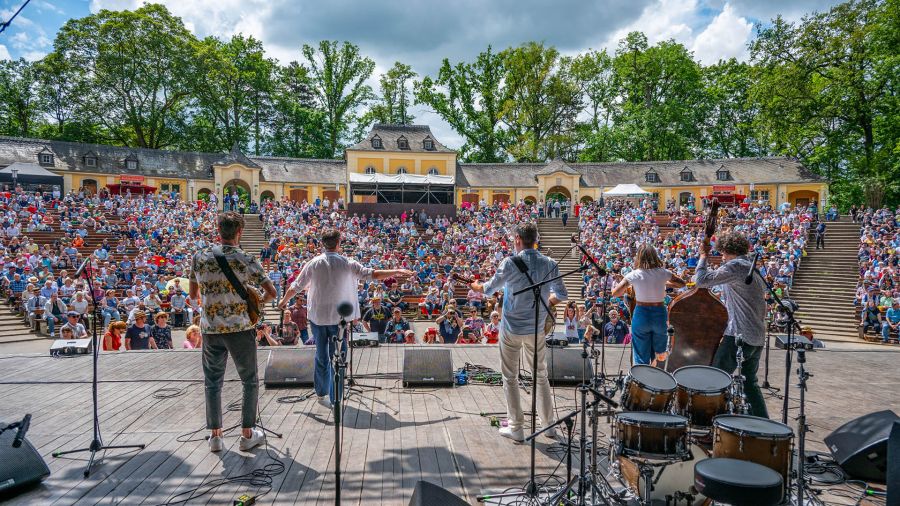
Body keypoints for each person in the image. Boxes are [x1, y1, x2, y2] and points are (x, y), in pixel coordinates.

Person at [277, 228, 412, 411]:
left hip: (317, 318)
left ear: (322, 244)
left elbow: (296, 286)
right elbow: (374, 274)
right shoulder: (348, 263)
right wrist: (397, 270)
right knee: (338, 359)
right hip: (338, 321)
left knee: (321, 356)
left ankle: (321, 393)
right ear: (339, 243)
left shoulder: (313, 263)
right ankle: (336, 399)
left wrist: (283, 301)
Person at [468, 222, 567, 442]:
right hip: (536, 329)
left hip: (511, 329)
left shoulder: (510, 263)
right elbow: (561, 294)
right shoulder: (549, 263)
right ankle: (549, 425)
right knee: (540, 375)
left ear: (517, 240)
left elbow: (488, 289)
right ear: (536, 241)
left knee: (510, 377)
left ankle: (517, 427)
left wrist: (475, 286)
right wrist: (545, 304)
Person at [189, 212, 277, 453]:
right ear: (239, 232)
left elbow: (193, 296)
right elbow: (271, 292)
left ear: (218, 230)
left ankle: (215, 436)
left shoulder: (200, 257)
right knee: (249, 381)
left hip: (210, 329)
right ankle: (247, 435)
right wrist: (256, 301)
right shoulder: (245, 258)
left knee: (212, 382)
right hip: (240, 328)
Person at [693, 231, 769, 419]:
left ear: (730, 251)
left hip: (739, 335)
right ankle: (762, 425)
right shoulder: (752, 267)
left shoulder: (736, 267)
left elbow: (701, 281)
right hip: (757, 337)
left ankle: (710, 423)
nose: (723, 257)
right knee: (750, 383)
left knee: (715, 379)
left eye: (723, 253)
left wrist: (703, 256)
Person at [612, 244, 686, 366]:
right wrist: (663, 284)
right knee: (659, 353)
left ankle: (642, 381)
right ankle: (657, 380)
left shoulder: (634, 274)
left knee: (641, 354)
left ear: (639, 257)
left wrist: (632, 285)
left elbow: (615, 293)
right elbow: (681, 284)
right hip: (659, 313)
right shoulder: (664, 273)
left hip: (642, 313)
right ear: (655, 256)